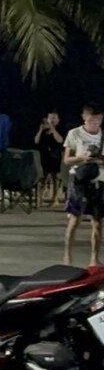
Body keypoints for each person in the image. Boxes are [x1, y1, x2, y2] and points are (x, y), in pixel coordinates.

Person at [63, 103, 104, 266]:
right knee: (75, 219)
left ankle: (94, 258)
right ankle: (67, 256)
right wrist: (82, 158)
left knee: (98, 222)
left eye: (99, 120)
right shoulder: (74, 134)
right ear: (84, 117)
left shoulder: (103, 135)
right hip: (79, 179)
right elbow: (67, 160)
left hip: (99, 180)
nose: (95, 123)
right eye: (92, 120)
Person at [36, 112, 66, 205]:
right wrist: (40, 130)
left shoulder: (61, 129)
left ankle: (55, 198)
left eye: (54, 118)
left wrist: (53, 129)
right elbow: (36, 141)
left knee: (55, 178)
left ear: (58, 120)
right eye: (50, 118)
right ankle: (39, 198)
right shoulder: (44, 131)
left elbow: (60, 140)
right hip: (44, 155)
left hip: (56, 156)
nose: (52, 120)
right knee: (42, 177)